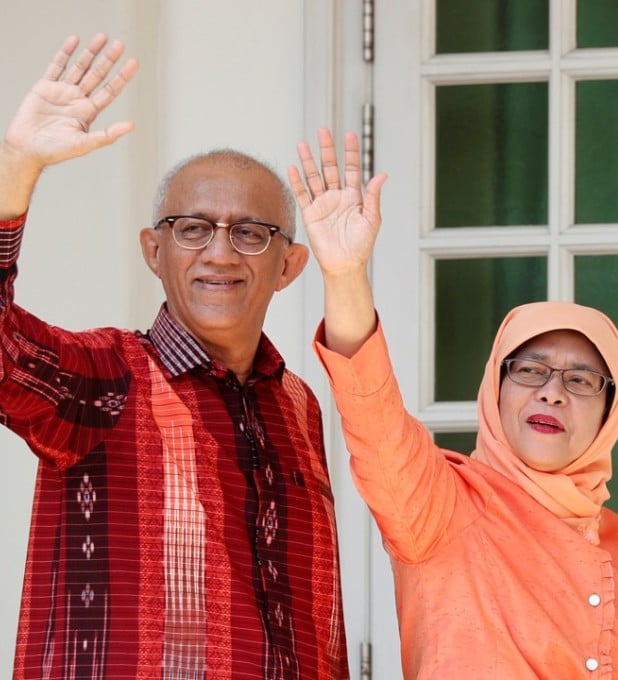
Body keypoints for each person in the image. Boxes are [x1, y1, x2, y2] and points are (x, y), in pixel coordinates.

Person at [1, 35, 348, 678]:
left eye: (250, 232)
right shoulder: (105, 376)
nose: (219, 253)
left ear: (289, 265)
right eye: (192, 228)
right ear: (154, 253)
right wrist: (15, 167)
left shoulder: (300, 406)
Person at [290, 127, 618, 678]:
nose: (551, 390)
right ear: (494, 389)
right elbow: (372, 414)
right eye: (529, 370)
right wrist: (344, 274)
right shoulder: (441, 507)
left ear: (609, 412)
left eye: (581, 380)